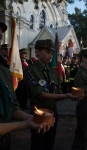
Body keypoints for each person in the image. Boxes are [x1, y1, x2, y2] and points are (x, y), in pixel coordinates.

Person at [0, 22, 53, 150]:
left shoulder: (4, 72)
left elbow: (12, 107)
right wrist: (26, 123)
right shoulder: (30, 69)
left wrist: (34, 118)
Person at [24, 39, 83, 150]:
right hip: (39, 112)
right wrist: (67, 96)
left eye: (51, 53)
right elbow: (41, 95)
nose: (50, 55)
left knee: (49, 143)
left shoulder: (53, 72)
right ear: (37, 52)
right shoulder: (30, 70)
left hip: (52, 111)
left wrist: (69, 94)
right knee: (38, 144)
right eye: (47, 52)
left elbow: (58, 91)